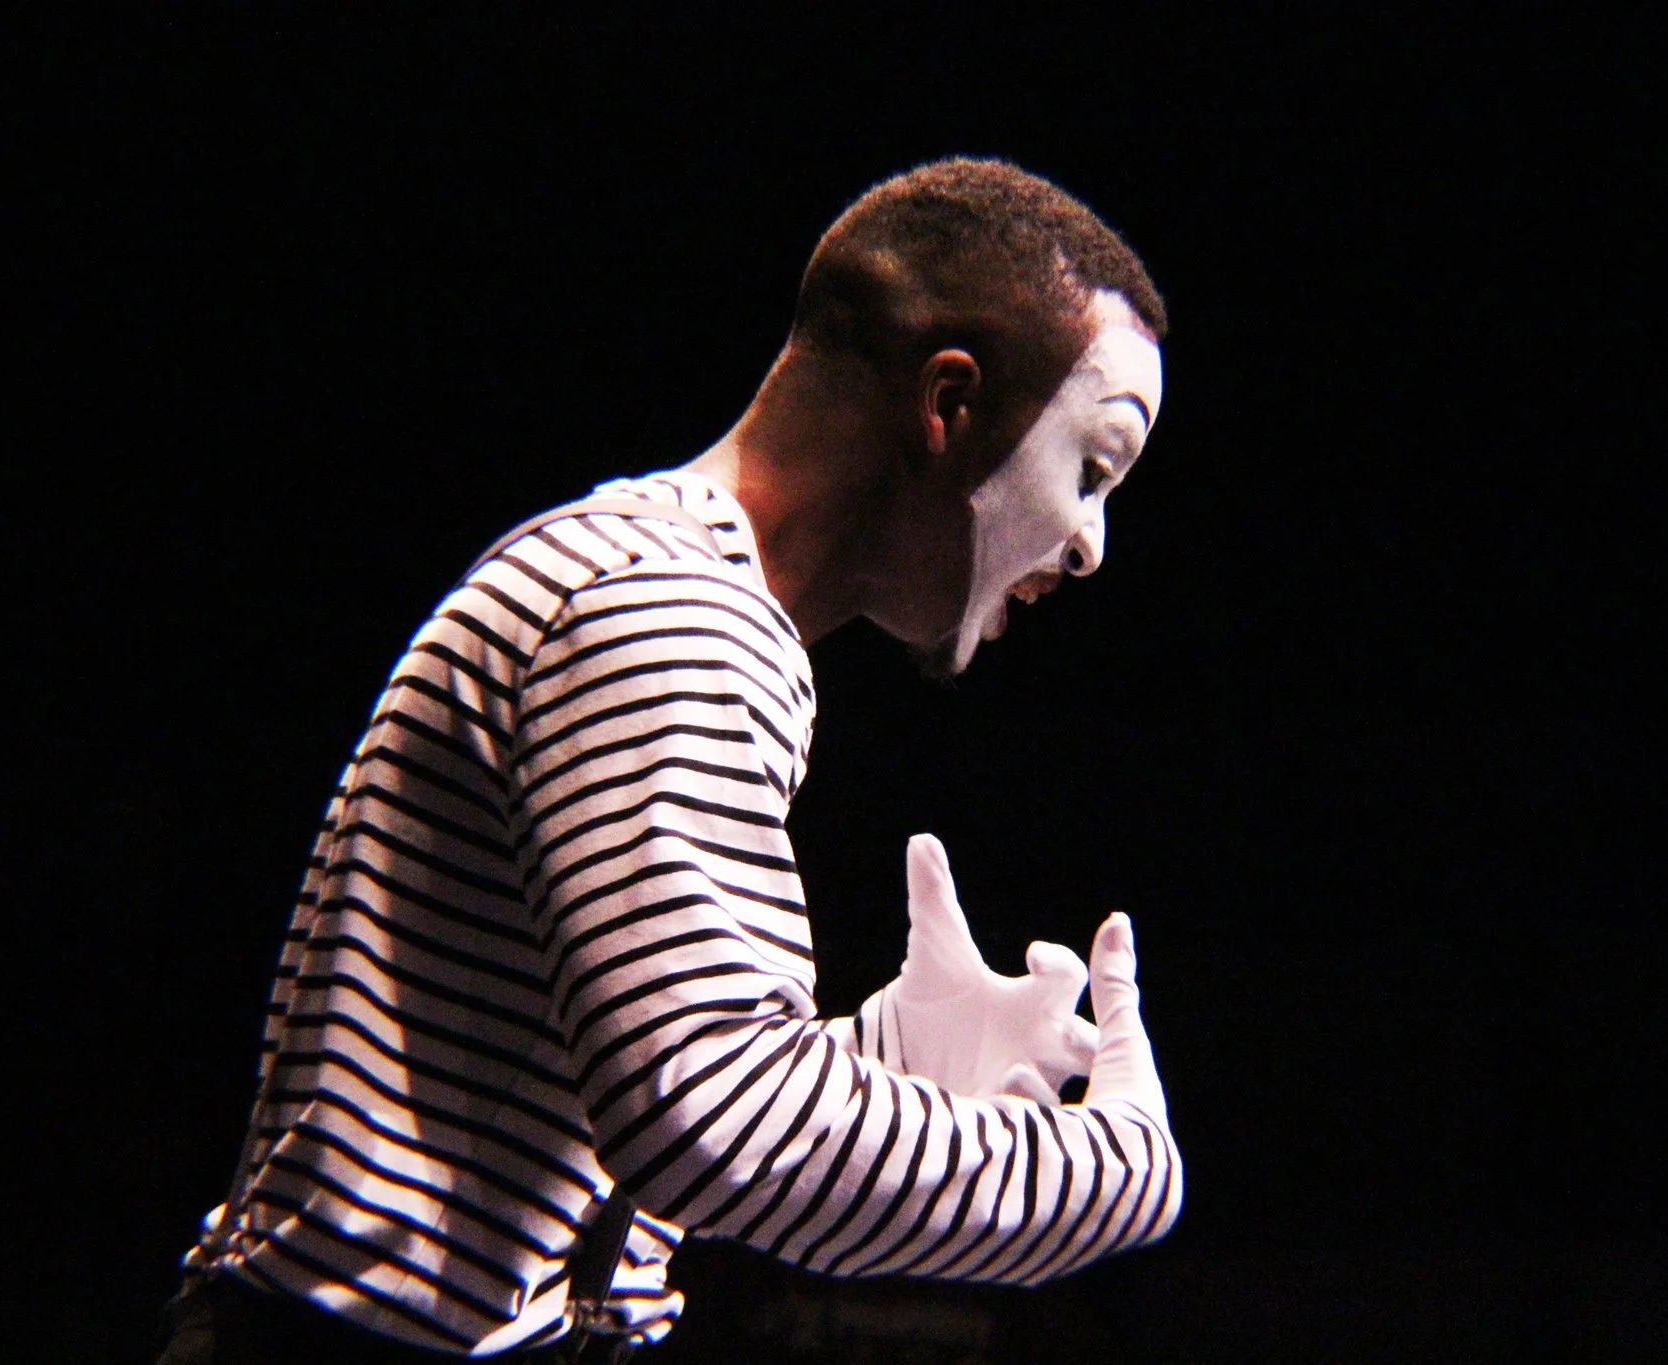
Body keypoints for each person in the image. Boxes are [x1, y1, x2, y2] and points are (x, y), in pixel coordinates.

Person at [158, 157, 1182, 1363]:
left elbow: (599, 1106)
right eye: (1090, 469)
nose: (1088, 545)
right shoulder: (661, 616)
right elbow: (707, 1123)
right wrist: (1103, 1174)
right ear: (947, 407)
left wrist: (882, 1065)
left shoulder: (657, 590)